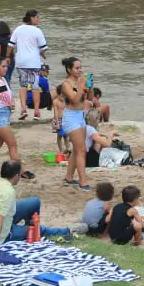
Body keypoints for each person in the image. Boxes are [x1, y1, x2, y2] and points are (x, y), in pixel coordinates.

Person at [0, 160, 43, 253]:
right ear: (16, 176)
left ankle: (29, 227)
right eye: (20, 175)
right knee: (39, 230)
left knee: (35, 202)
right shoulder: (7, 192)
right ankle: (63, 231)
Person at [59, 56, 92, 191]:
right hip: (70, 117)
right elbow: (74, 99)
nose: (80, 70)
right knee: (81, 150)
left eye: (80, 68)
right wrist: (81, 85)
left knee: (78, 149)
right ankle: (83, 182)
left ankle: (69, 177)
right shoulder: (66, 84)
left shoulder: (80, 82)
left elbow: (89, 99)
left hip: (80, 116)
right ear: (69, 69)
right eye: (77, 68)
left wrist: (89, 86)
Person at [10, 10, 48, 121]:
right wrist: (41, 53)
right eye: (37, 17)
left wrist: (8, 56)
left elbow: (10, 45)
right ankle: (36, 111)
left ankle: (23, 109)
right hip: (33, 62)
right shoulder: (37, 31)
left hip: (21, 62)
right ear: (31, 18)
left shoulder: (18, 29)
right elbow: (44, 47)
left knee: (23, 86)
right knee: (35, 86)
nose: (38, 19)